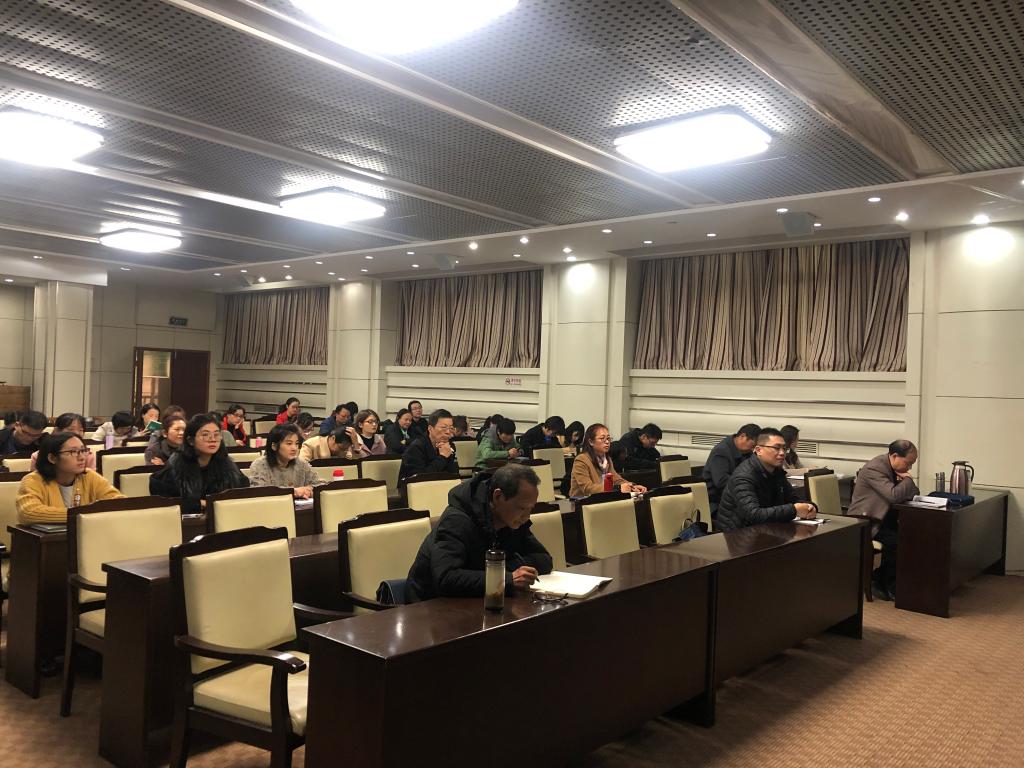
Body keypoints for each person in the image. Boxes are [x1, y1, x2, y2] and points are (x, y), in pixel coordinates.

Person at [406, 463, 552, 602]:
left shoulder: (513, 521)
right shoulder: (456, 521)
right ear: (498, 496)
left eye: (531, 509)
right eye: (522, 508)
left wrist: (504, 570)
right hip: (429, 605)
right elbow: (446, 578)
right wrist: (505, 578)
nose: (527, 517)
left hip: (479, 600)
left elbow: (544, 559)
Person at [848, 440, 919, 601]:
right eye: (908, 463)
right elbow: (893, 495)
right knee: (898, 542)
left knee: (912, 537)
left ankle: (881, 577)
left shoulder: (893, 468)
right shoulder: (875, 468)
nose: (909, 468)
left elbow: (913, 493)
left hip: (885, 519)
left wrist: (906, 484)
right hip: (866, 522)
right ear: (894, 456)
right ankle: (882, 583)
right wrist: (908, 480)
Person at [715, 428, 818, 532]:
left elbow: (794, 499)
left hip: (766, 530)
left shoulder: (777, 472)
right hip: (737, 534)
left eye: (784, 448)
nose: (782, 453)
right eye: (776, 448)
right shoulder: (744, 476)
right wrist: (794, 510)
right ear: (758, 450)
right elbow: (754, 514)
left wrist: (810, 507)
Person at [149, 414, 249, 512]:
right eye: (205, 435)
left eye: (216, 434)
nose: (212, 439)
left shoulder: (226, 464)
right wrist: (197, 504)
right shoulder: (176, 466)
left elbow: (242, 491)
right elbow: (165, 500)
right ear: (190, 440)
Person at [15, 432, 123, 523]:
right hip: (53, 540)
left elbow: (119, 503)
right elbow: (28, 512)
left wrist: (85, 515)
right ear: (52, 458)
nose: (82, 457)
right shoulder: (33, 480)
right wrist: (84, 515)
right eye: (73, 452)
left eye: (83, 451)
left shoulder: (89, 476)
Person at [248, 423, 325, 499]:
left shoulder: (301, 464)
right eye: (289, 443)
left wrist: (309, 490)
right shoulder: (260, 465)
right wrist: (293, 492)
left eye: (296, 443)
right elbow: (259, 492)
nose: (294, 448)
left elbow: (320, 485)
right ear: (274, 446)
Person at [569, 423, 647, 497]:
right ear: (591, 442)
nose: (607, 442)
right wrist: (617, 488)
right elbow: (587, 488)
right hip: (582, 501)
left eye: (608, 438)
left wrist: (632, 486)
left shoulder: (607, 459)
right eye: (602, 439)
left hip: (602, 499)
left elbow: (617, 480)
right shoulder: (581, 460)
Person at [702, 423, 761, 514]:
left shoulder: (746, 452)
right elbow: (721, 481)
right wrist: (746, 486)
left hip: (737, 498)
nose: (752, 449)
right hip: (716, 502)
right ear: (742, 436)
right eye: (752, 445)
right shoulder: (721, 451)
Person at [399, 408, 458, 480]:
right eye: (444, 427)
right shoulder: (416, 448)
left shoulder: (449, 446)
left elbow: (453, 475)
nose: (448, 432)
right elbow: (420, 478)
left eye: (451, 428)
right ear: (430, 428)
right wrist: (442, 457)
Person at [30, 413, 96, 471]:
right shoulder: (38, 455)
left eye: (81, 430)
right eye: (70, 429)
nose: (77, 433)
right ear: (57, 430)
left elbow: (91, 479)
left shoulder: (88, 455)